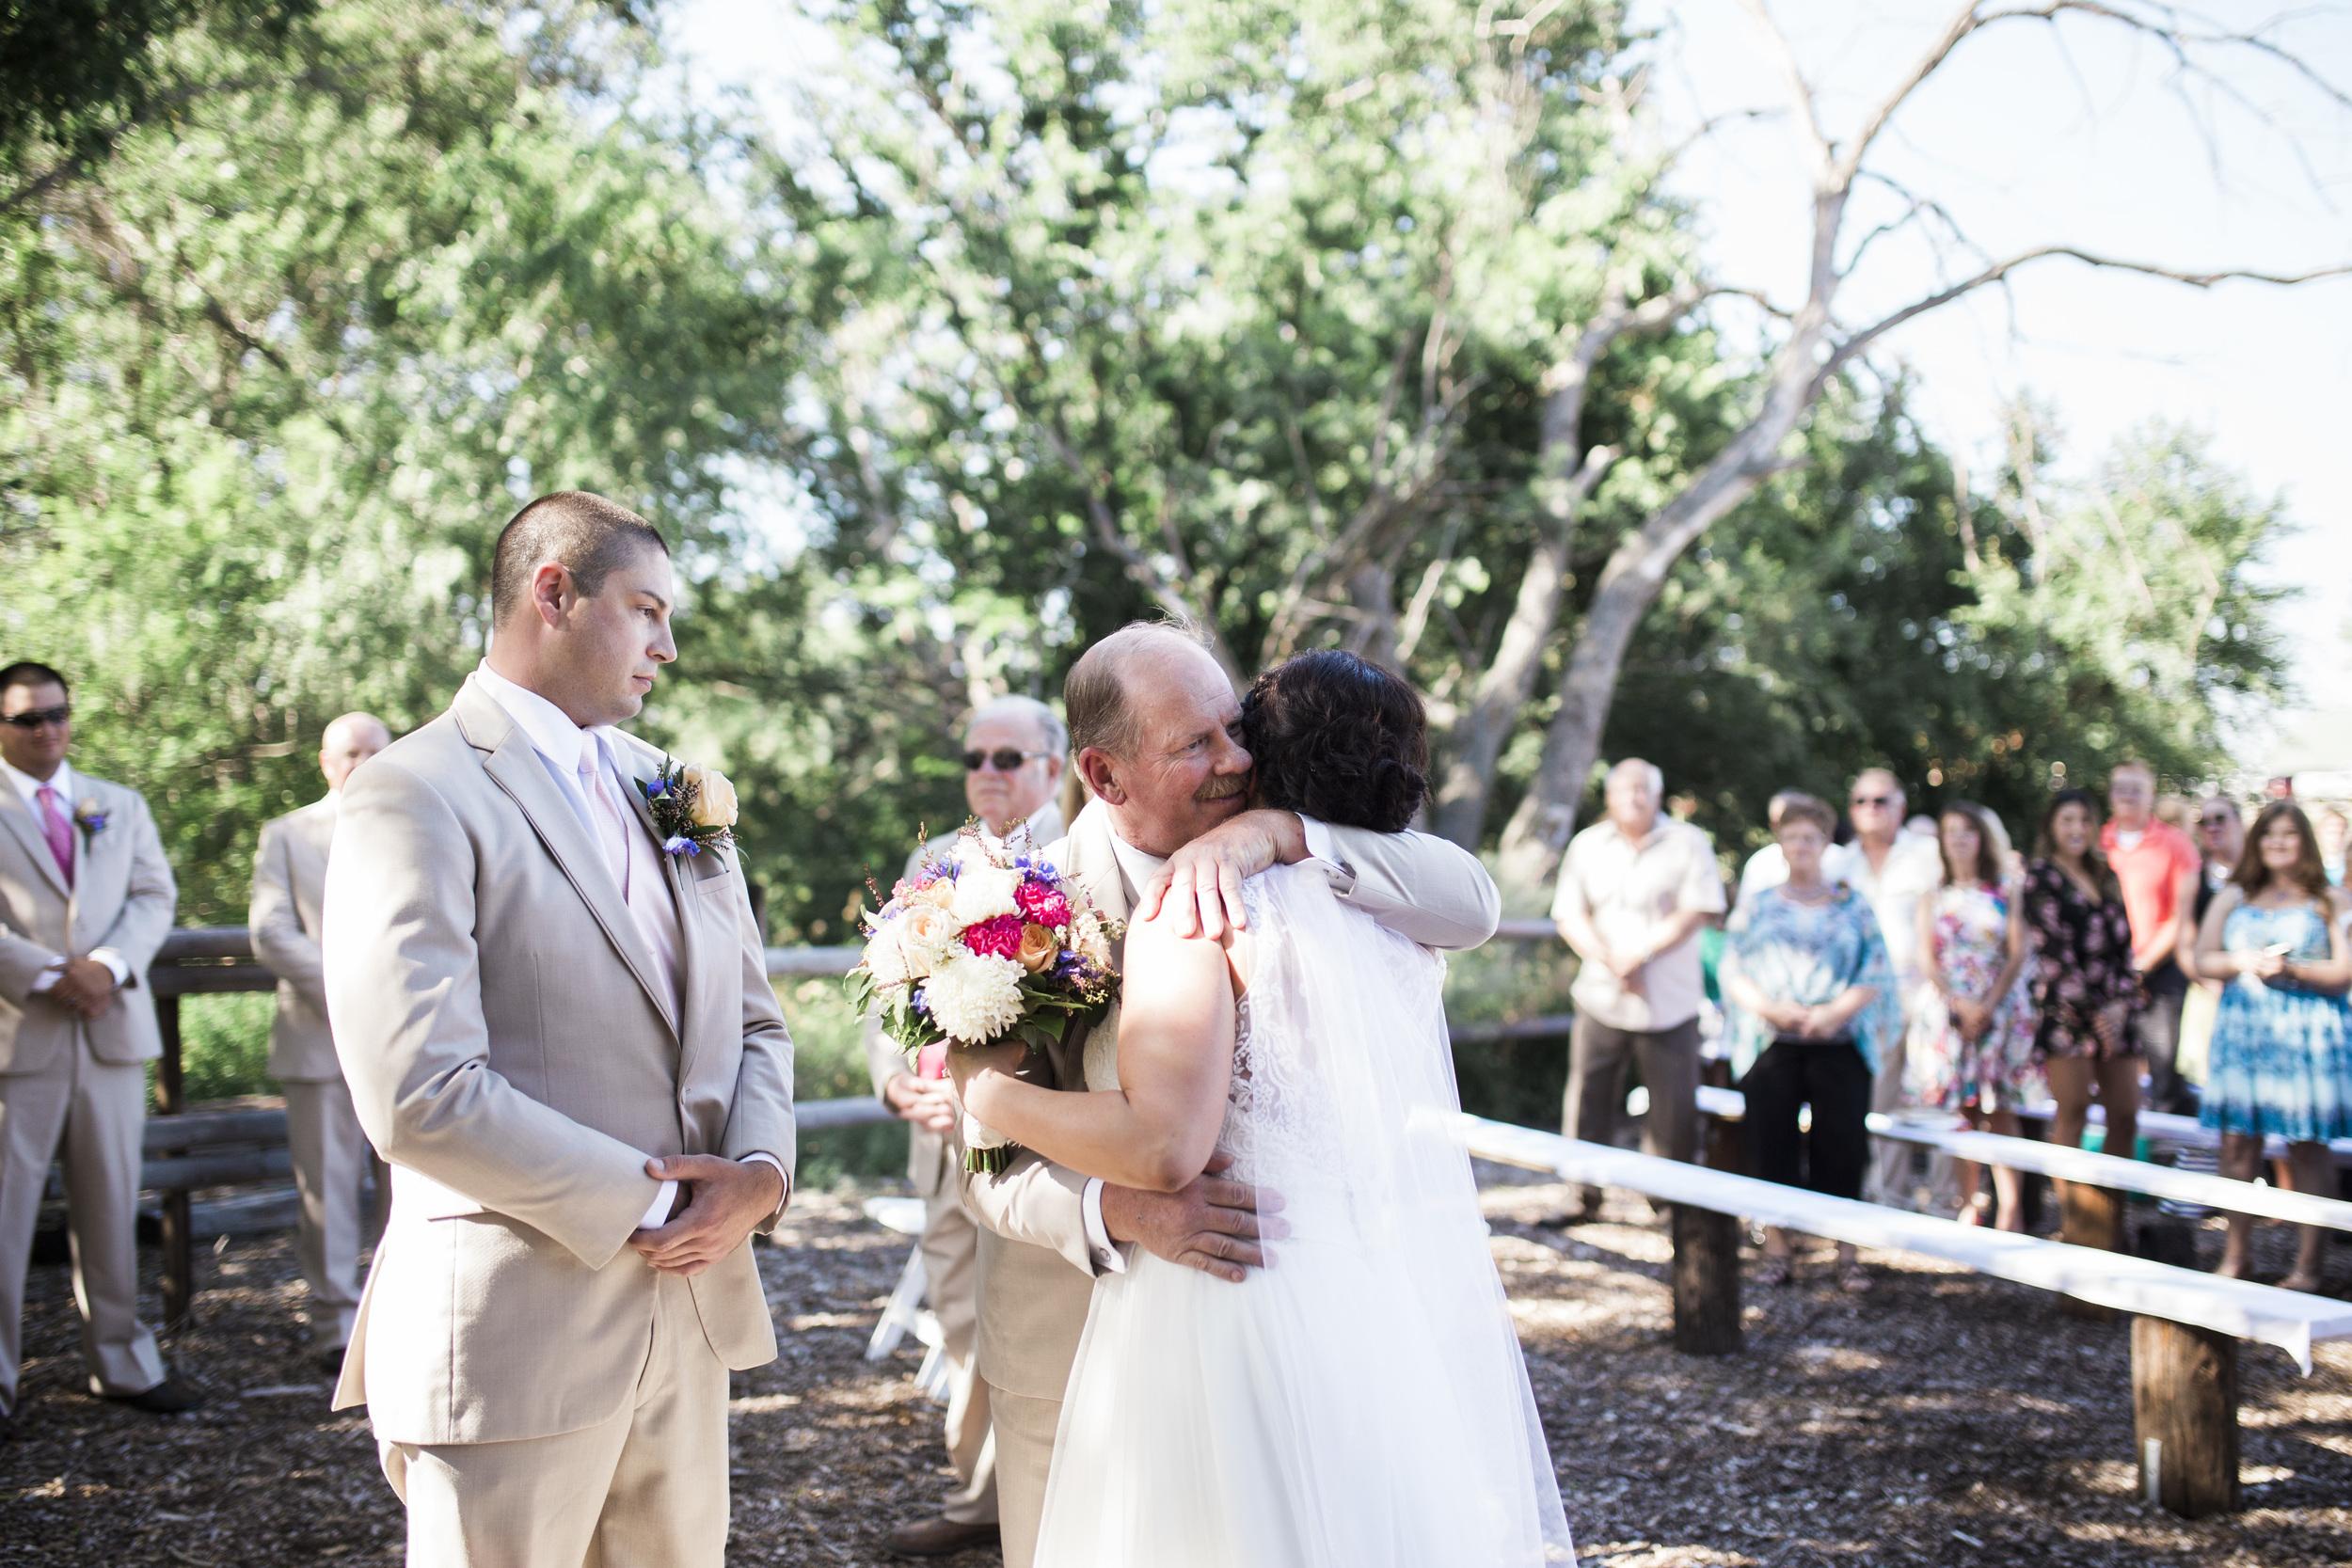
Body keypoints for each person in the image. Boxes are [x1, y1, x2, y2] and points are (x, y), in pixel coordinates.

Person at [952, 648, 1571, 1566]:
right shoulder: (1012, 911)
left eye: (1234, 729)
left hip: (1281, 1308)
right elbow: (984, 1166)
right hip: (1075, 1330)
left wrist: (1277, 832)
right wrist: (1108, 1206)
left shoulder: (1277, 847)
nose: (1234, 760)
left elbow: (1473, 899)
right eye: (1195, 743)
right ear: (1101, 772)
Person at [323, 493, 794, 1566]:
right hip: (511, 1338)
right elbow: (417, 1087)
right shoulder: (413, 791)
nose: (667, 646)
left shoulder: (673, 788)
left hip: (689, 1319)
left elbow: (753, 1017)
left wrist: (760, 1174)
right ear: (553, 593)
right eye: (645, 610)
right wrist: (657, 1192)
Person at [864, 694, 1066, 1559]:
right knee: (956, 1316)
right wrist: (897, 1082)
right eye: (976, 758)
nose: (986, 772)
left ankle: (1044, 1511)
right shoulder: (931, 858)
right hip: (939, 1135)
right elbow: (885, 991)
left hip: (1042, 1143)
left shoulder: (1080, 854)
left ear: (1053, 767)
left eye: (1007, 758)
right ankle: (979, 1496)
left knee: (1035, 1328)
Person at [0, 661, 197, 1436]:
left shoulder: (117, 804)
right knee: (7, 1212)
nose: (46, 729)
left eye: (56, 714)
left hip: (111, 1029)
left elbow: (155, 895)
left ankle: (120, 1361)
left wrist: (107, 967)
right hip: (20, 1032)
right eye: (26, 718)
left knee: (113, 1202)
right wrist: (49, 973)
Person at [249, 711, 394, 1373]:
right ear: (326, 763)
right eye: (350, 753)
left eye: (375, 751)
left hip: (409, 1037)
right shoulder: (287, 834)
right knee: (327, 1187)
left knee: (416, 1182)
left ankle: (400, 1315)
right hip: (319, 1035)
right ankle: (333, 1326)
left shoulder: (422, 822)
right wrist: (347, 991)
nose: (362, 762)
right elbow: (271, 931)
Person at [1721, 793, 1893, 1291]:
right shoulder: (1757, 905)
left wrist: (1832, 1013)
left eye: (1811, 837)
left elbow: (1875, 967)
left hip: (1837, 1041)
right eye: (1792, 836)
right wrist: (1772, 1010)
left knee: (1842, 1146)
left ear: (1825, 843)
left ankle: (1845, 1253)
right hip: (1773, 1041)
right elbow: (1732, 966)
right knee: (1769, 1141)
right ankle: (1777, 1246)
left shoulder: (1852, 903)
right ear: (1780, 842)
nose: (1801, 845)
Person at [1547, 758, 1724, 1223]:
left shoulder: (1689, 843)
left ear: (1658, 795)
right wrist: (1612, 960)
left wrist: (1640, 954)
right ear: (1609, 796)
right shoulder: (1588, 845)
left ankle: (1669, 1202)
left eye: (1643, 788)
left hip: (1669, 999)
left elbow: (1698, 910)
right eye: (1624, 789)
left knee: (1673, 1107)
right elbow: (1569, 914)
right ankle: (1581, 1194)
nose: (1634, 796)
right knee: (1588, 1096)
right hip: (1602, 993)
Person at [2189, 801, 2352, 1291]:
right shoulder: (2235, 893)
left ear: (2304, 840)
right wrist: (2241, 960)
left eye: (2288, 834)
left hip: (2305, 1032)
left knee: (2306, 1145)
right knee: (2236, 1142)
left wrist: (2295, 970)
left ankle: (2308, 1267)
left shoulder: (2330, 899)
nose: (2278, 842)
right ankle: (2236, 1257)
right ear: (2257, 841)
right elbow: (2202, 957)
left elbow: (2345, 973)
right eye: (2268, 834)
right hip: (2245, 1029)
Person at [1908, 803, 2039, 1230]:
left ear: (1982, 837)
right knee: (1963, 1109)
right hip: (1950, 1010)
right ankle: (1970, 1202)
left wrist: (1987, 1002)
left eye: (1968, 831)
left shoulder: (2004, 889)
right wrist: (1957, 1002)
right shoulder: (1933, 893)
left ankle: (2011, 1207)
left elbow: (2017, 951)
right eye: (1951, 832)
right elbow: (1926, 957)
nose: (1960, 839)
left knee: (1999, 1108)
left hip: (1997, 1006)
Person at [1821, 768, 1945, 1208]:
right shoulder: (1837, 863)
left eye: (1880, 801)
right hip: (1866, 1003)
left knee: (1934, 1096)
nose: (1870, 810)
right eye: (1861, 801)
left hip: (1928, 995)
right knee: (1879, 1102)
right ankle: (1889, 1197)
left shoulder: (1929, 853)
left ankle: (1945, 1203)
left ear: (1900, 806)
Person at [2024, 788, 2143, 1172]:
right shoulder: (2041, 877)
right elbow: (2053, 952)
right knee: (2073, 1113)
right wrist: (2097, 1015)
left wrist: (2121, 1007)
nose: (2078, 828)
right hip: (2068, 1015)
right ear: (2051, 826)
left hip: (2116, 1012)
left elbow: (2127, 946)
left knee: (2125, 1115)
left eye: (2085, 820)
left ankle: (2109, 1218)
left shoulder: (2106, 874)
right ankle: (2075, 1221)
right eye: (2068, 820)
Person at [2103, 760, 2203, 1115]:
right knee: (2109, 1070)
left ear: (2151, 794)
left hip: (2160, 974)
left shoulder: (2176, 845)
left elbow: (2181, 915)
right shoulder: (2097, 843)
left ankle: (2165, 1156)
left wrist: (2142, 966)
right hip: (2105, 977)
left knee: (2163, 1073)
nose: (2128, 796)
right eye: (2121, 788)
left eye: (2136, 788)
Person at [2176, 796, 2248, 1090]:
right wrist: (2210, 984)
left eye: (2220, 818)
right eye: (2204, 822)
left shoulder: (2261, 876)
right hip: (2208, 992)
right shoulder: (2194, 881)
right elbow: (2184, 945)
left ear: (2239, 822)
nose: (2212, 827)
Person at [2317, 807, 2348, 887]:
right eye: (2331, 832)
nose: (2336, 838)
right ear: (2318, 832)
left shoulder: (2348, 869)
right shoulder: (2307, 866)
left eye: (2341, 833)